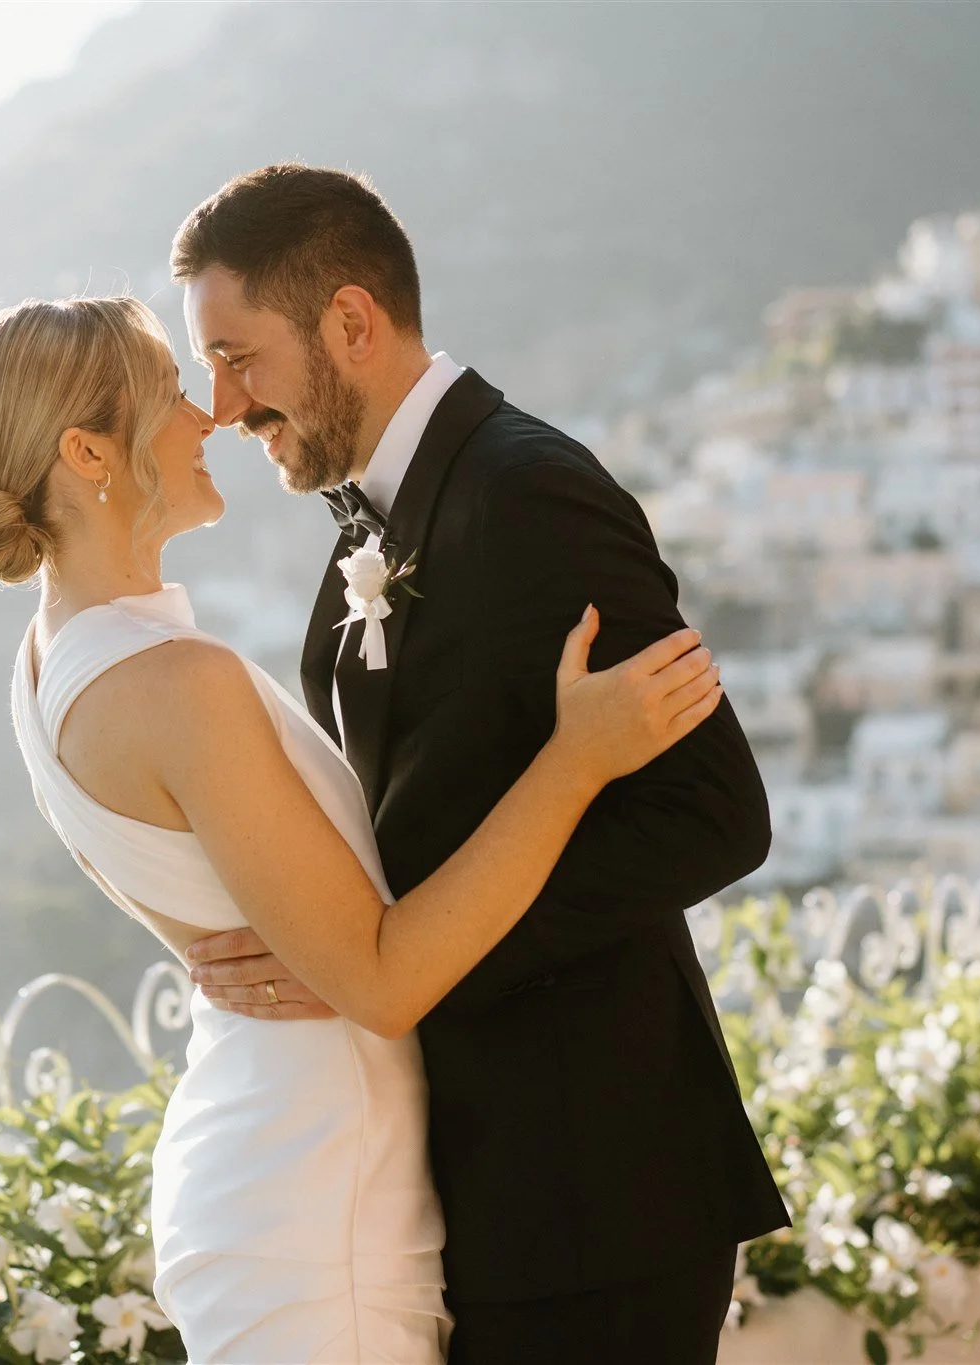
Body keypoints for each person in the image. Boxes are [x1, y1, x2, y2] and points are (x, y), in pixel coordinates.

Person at [0, 294, 723, 1362]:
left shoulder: (49, 668)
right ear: (88, 452)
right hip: (317, 1211)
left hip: (285, 1175)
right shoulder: (175, 686)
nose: (209, 415)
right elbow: (383, 983)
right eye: (171, 393)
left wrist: (327, 949)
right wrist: (576, 758)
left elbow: (245, 928)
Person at [172, 164, 792, 1364]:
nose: (222, 404)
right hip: (488, 1188)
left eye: (237, 357)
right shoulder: (377, 514)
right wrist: (347, 947)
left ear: (350, 323)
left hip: (595, 1188)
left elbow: (713, 812)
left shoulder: (527, 492)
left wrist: (402, 962)